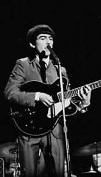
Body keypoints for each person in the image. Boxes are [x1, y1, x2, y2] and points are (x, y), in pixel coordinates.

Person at [4, 24, 92, 177]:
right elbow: (10, 93)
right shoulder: (23, 64)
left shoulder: (60, 70)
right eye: (42, 38)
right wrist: (37, 96)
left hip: (55, 130)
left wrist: (84, 103)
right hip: (29, 128)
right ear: (32, 44)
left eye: (50, 39)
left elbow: (67, 103)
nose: (48, 42)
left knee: (58, 172)